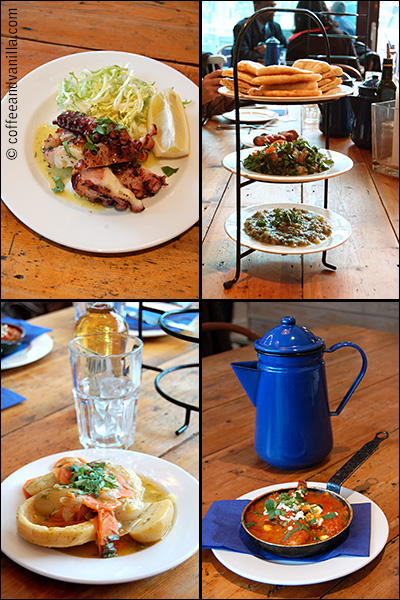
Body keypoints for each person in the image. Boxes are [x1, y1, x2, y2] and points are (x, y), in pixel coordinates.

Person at [286, 0, 361, 74]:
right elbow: (356, 72)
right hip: (339, 84)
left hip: (308, 85)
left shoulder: (295, 43)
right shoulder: (343, 37)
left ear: (299, 16)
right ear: (325, 12)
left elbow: (289, 75)